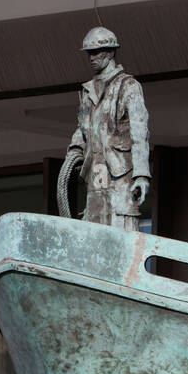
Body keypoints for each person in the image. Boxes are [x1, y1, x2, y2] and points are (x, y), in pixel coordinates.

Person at [65, 27, 150, 229]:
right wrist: (75, 150)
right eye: (89, 54)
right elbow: (82, 127)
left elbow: (140, 132)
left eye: (96, 52)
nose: (91, 58)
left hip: (120, 169)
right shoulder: (88, 91)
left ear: (111, 52)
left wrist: (141, 174)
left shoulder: (128, 85)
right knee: (95, 221)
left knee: (121, 220)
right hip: (96, 169)